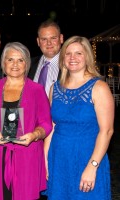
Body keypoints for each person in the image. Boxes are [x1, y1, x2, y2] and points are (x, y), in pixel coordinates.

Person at [0, 42, 52, 200]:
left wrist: (35, 135)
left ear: (27, 64)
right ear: (3, 63)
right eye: (10, 59)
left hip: (27, 157)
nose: (15, 64)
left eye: (21, 60)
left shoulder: (37, 90)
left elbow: (46, 123)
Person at [44, 36, 114, 199]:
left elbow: (107, 131)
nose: (72, 58)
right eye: (68, 53)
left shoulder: (99, 87)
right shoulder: (55, 89)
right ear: (63, 58)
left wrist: (93, 166)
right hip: (59, 159)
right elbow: (52, 127)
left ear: (87, 57)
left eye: (78, 53)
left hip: (88, 156)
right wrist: (45, 160)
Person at [28, 20, 64, 96]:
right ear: (38, 41)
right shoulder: (28, 64)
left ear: (61, 38)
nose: (49, 43)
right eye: (44, 39)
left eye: (53, 38)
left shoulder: (71, 64)